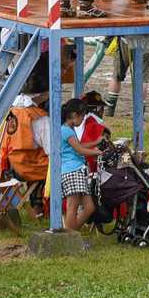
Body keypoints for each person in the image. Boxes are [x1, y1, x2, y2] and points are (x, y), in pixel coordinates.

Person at [59, 98, 102, 231]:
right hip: (71, 171)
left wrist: (95, 143)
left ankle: (72, 233)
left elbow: (80, 145)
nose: (83, 119)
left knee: (89, 207)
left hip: (77, 170)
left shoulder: (69, 130)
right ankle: (70, 237)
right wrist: (97, 153)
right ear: (73, 115)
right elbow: (80, 150)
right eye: (82, 116)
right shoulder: (66, 130)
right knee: (72, 207)